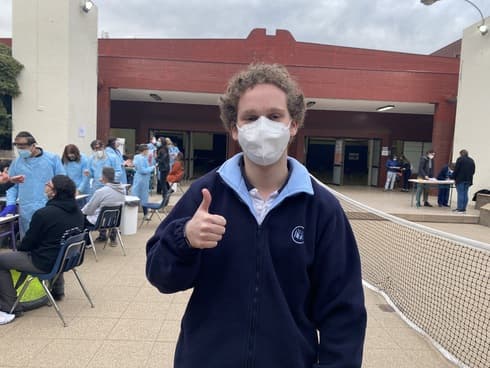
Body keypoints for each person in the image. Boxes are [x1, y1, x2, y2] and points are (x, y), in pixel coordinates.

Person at [146, 63, 366, 367]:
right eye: (250, 117)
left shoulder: (321, 208)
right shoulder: (207, 194)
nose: (263, 126)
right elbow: (160, 277)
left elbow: (343, 310)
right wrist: (184, 238)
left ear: (293, 124)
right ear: (234, 128)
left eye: (275, 116)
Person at [0, 175, 84, 324]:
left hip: (44, 262)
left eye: (48, 184)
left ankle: (10, 305)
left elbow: (27, 244)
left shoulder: (44, 214)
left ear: (54, 192)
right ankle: (58, 290)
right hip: (67, 260)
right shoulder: (78, 212)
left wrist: (20, 249)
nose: (45, 184)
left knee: (2, 260)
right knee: (58, 247)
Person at [1, 131, 65, 236]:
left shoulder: (52, 159)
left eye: (23, 147)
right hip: (26, 209)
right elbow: (12, 185)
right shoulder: (17, 163)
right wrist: (10, 204)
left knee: (48, 238)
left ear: (33, 146)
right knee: (28, 240)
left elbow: (62, 182)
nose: (20, 150)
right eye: (18, 147)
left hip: (49, 206)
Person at [81, 167, 126, 244]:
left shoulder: (101, 192)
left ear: (103, 177)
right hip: (113, 222)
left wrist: (81, 212)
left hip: (99, 222)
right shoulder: (122, 190)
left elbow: (89, 210)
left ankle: (87, 242)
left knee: (80, 218)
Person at [131, 144, 156, 220]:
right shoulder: (140, 158)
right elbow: (142, 170)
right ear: (144, 151)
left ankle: (144, 214)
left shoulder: (140, 158)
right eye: (147, 150)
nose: (148, 152)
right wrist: (152, 168)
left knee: (143, 197)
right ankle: (136, 215)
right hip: (141, 180)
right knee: (139, 197)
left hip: (143, 179)